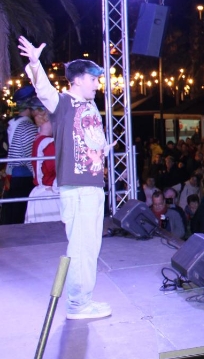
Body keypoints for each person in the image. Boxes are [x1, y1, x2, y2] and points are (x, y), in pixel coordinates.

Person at [19, 36, 114, 319]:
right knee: (82, 247)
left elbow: (89, 139)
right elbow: (44, 90)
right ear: (78, 80)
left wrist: (101, 149)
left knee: (90, 247)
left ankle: (83, 299)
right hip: (78, 189)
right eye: (94, 79)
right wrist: (35, 64)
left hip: (93, 186)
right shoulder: (63, 104)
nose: (98, 84)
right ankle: (77, 305)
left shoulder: (90, 106)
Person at [1, 85, 39, 225]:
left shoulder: (13, 124)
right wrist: (37, 176)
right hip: (24, 178)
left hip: (13, 175)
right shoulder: (27, 127)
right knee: (20, 213)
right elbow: (30, 157)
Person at [25, 104, 58, 223]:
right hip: (49, 195)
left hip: (40, 193)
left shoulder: (38, 139)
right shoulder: (49, 143)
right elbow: (55, 169)